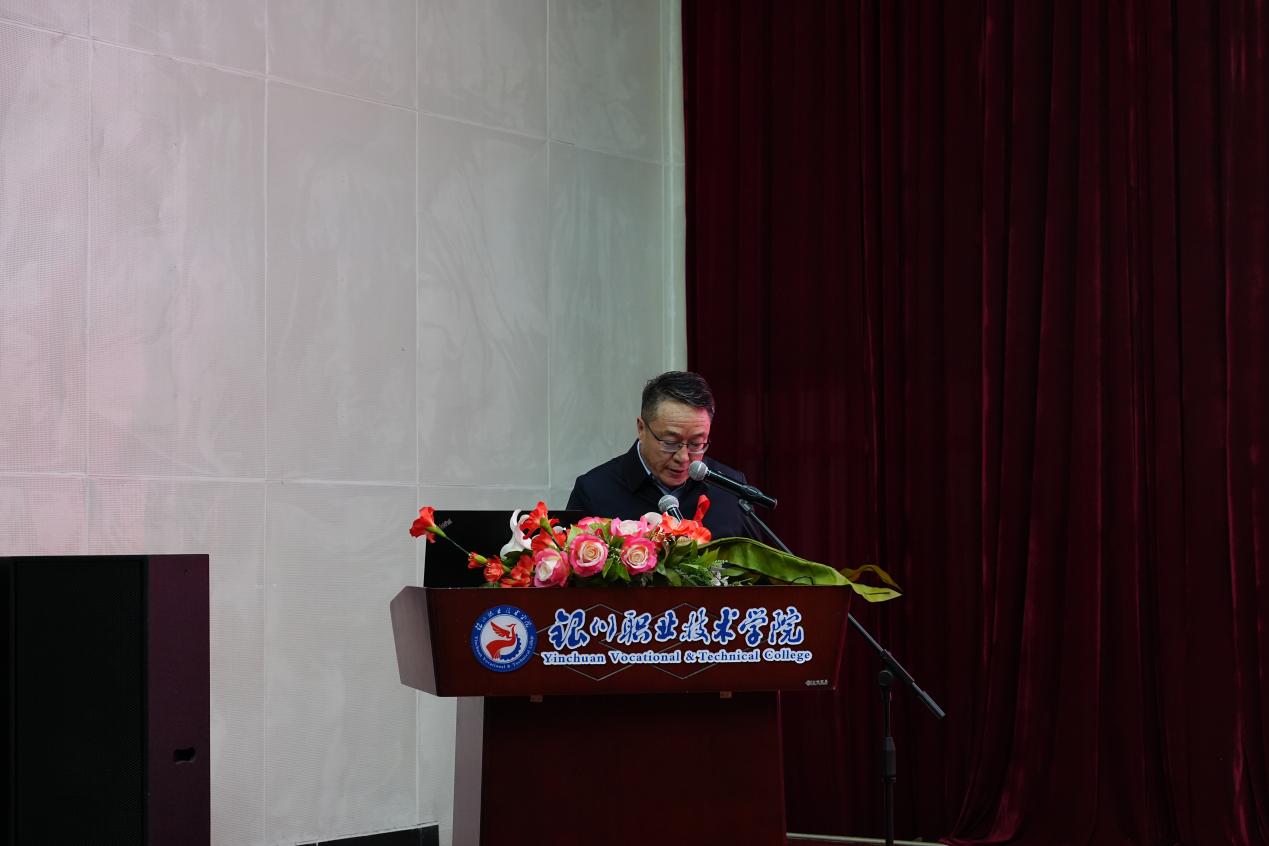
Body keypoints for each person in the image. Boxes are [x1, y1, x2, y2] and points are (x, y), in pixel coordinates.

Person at [567, 371, 759, 540]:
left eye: (696, 444)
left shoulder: (730, 491)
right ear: (641, 429)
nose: (683, 458)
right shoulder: (594, 491)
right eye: (670, 443)